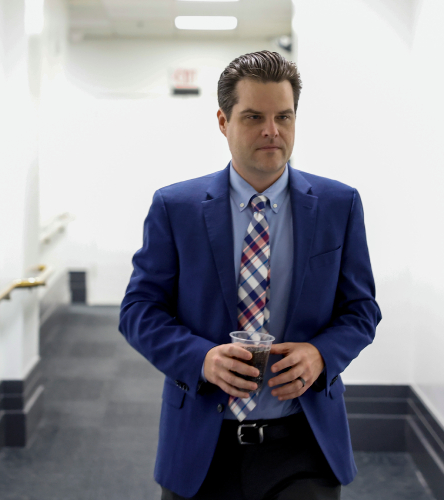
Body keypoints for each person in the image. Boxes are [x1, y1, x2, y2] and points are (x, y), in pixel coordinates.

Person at [119, 51, 381, 500]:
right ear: (222, 121)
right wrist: (201, 359)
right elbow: (139, 312)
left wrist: (320, 355)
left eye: (284, 116)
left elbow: (361, 311)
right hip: (202, 444)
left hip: (304, 442)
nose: (271, 131)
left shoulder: (340, 205)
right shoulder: (175, 208)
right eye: (253, 116)